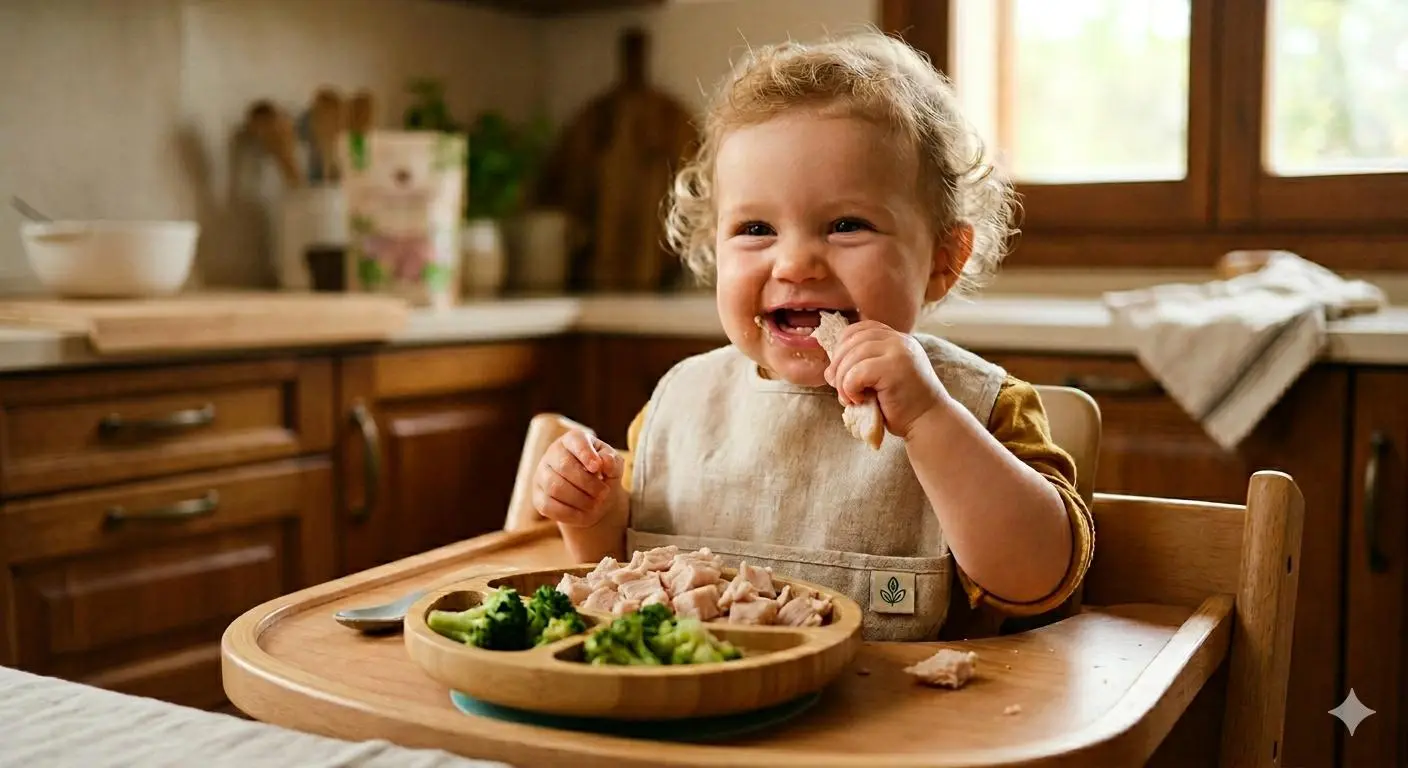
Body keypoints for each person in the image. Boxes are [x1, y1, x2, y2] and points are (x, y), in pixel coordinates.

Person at [531, 29, 1094, 641]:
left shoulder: (980, 408)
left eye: (846, 225)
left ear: (941, 259)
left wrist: (931, 419)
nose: (795, 263)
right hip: (693, 721)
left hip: (896, 727)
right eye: (755, 228)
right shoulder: (677, 406)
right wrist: (593, 514)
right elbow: (620, 566)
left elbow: (1037, 579)